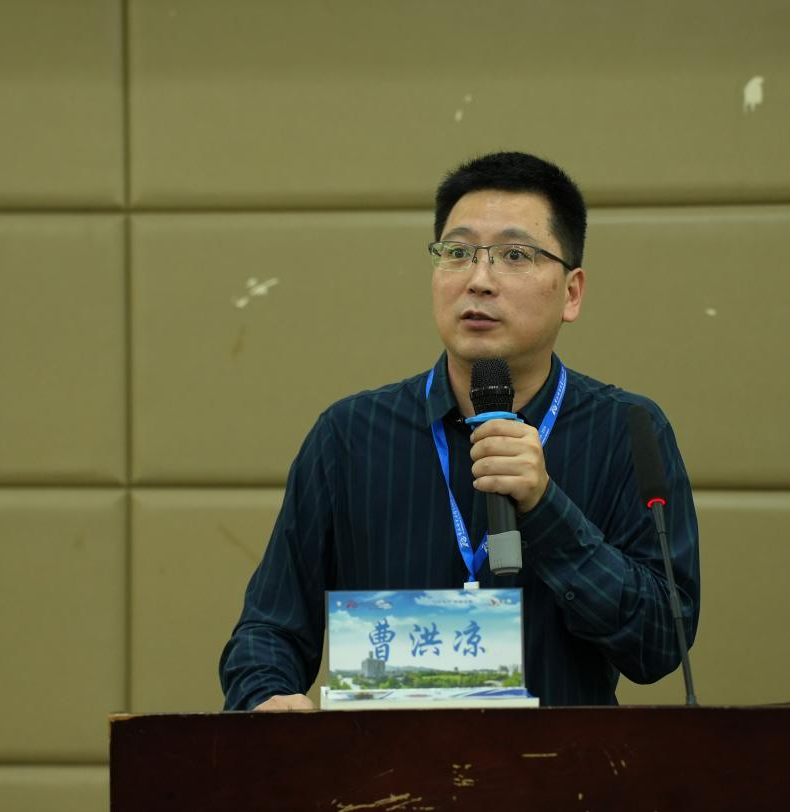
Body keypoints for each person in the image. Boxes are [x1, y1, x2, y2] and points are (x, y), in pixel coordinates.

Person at [220, 151, 699, 710]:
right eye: (457, 253)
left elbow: (660, 644)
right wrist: (265, 697)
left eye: (514, 255)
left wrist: (546, 507)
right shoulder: (349, 436)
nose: (479, 280)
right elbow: (268, 630)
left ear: (571, 293)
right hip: (385, 765)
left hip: (558, 766)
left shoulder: (627, 431)